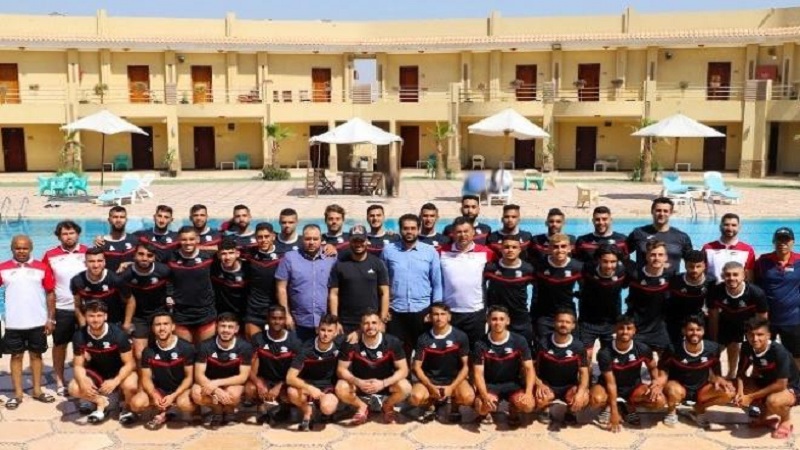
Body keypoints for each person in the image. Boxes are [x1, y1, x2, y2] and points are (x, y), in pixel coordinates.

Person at [0, 235, 56, 410]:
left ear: (31, 248)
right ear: (12, 248)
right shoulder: (2, 268)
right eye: (18, 248)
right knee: (16, 356)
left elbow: (50, 293)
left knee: (36, 355)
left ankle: (37, 390)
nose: (21, 251)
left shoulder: (42, 267)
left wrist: (50, 318)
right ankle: (17, 394)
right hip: (14, 323)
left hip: (37, 322)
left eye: (24, 248)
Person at [657, 315, 735, 429]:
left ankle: (699, 408)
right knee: (673, 389)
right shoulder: (673, 349)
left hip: (700, 390)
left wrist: (719, 379)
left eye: (698, 330)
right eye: (691, 330)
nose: (695, 333)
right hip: (680, 388)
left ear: (703, 331)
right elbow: (663, 369)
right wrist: (660, 382)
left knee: (729, 393)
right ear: (684, 331)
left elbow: (716, 372)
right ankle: (671, 412)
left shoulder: (713, 348)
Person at [382, 213, 443, 356]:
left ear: (418, 229)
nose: (409, 232)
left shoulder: (430, 252)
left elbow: (437, 283)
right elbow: (383, 283)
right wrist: (383, 309)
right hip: (396, 312)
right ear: (400, 230)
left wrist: (435, 310)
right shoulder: (388, 251)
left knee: (425, 354)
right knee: (398, 355)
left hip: (423, 311)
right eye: (405, 228)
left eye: (413, 228)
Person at [336, 310, 412, 425]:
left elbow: (404, 370)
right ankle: (362, 407)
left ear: (380, 325)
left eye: (374, 323)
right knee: (341, 387)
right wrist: (358, 382)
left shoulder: (392, 342)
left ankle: (387, 406)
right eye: (366, 323)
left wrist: (383, 383)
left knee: (405, 387)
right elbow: (341, 369)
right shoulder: (351, 343)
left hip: (385, 384)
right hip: (360, 384)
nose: (370, 326)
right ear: (361, 326)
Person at [68, 301, 138, 424]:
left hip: (119, 371)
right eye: (91, 316)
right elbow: (78, 365)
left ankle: (126, 407)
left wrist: (115, 381)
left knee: (131, 385)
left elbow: (130, 364)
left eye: (99, 315)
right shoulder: (79, 335)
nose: (95, 320)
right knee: (73, 388)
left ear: (105, 316)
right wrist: (82, 381)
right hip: (97, 371)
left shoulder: (118, 334)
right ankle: (101, 401)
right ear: (85, 317)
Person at [591, 315, 663, 432]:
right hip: (607, 386)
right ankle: (609, 406)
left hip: (632, 387)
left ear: (634, 331)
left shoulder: (643, 349)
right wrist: (614, 412)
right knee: (595, 400)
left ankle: (629, 405)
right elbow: (611, 383)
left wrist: (655, 381)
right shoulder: (604, 353)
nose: (625, 332)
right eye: (621, 328)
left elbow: (652, 367)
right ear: (615, 329)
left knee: (659, 401)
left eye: (629, 328)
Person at [735, 317, 800, 439]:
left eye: (760, 334)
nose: (755, 339)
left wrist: (750, 397)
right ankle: (764, 417)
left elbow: (781, 384)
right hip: (766, 382)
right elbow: (740, 373)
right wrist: (740, 392)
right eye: (751, 334)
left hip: (790, 387)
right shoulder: (746, 347)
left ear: (768, 335)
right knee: (731, 388)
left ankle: (785, 420)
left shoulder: (779, 351)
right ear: (746, 335)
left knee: (773, 401)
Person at [43, 220, 88, 396]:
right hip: (62, 309)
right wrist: (49, 316)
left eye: (71, 233)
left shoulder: (88, 252)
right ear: (59, 236)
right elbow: (46, 286)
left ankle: (84, 380)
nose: (68, 237)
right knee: (60, 345)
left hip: (85, 309)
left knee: (85, 346)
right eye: (64, 234)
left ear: (78, 234)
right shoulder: (50, 255)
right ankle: (60, 381)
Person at [129, 311, 196, 429]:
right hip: (161, 389)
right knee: (136, 404)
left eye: (166, 324)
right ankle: (166, 410)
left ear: (173, 327)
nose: (162, 328)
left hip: (181, 390)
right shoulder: (148, 351)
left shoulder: (186, 348)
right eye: (158, 324)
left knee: (185, 404)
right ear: (153, 328)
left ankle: (171, 410)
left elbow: (189, 378)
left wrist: (173, 396)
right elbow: (146, 378)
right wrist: (154, 394)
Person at [409, 303, 474, 423]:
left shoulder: (460, 336)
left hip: (453, 379)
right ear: (430, 317)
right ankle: (430, 404)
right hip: (431, 379)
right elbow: (416, 367)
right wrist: (430, 386)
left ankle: (455, 407)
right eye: (436, 314)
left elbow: (466, 366)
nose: (439, 318)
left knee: (468, 398)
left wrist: (451, 387)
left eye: (443, 314)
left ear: (449, 317)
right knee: (415, 398)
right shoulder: (423, 339)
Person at [472, 306, 536, 428]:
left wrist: (528, 393)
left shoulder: (519, 340)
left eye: (502, 319)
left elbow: (529, 369)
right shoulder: (480, 344)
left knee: (528, 406)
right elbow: (478, 374)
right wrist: (484, 396)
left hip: (513, 384)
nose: (498, 322)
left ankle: (513, 408)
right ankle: (488, 412)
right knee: (481, 407)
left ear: (508, 321)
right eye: (494, 319)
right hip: (491, 385)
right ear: (488, 321)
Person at [439, 217, 496, 345]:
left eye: (466, 231)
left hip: (476, 312)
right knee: (451, 350)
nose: (462, 235)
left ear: (473, 232)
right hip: (450, 312)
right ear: (453, 234)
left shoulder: (486, 253)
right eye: (459, 232)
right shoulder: (442, 252)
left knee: (476, 350)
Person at [191, 312, 254, 428]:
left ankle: (229, 411)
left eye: (230, 327)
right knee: (196, 394)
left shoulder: (245, 347)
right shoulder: (205, 346)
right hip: (209, 381)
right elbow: (198, 375)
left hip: (231, 383)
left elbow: (242, 377)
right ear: (216, 327)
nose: (226, 330)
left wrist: (216, 384)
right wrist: (215, 389)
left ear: (236, 329)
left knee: (233, 395)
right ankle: (217, 411)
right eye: (223, 326)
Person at [276, 224, 337, 341]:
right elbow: (281, 288)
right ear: (302, 239)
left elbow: (335, 290)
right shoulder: (290, 258)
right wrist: (286, 315)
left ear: (321, 240)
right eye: (308, 239)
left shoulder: (331, 258)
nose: (311, 242)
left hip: (324, 322)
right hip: (297, 321)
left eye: (315, 239)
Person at [708, 261, 769, 378]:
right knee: (715, 349)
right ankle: (718, 377)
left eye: (735, 274)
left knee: (752, 350)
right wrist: (713, 341)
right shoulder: (716, 291)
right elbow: (713, 317)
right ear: (722, 276)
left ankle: (736, 375)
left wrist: (758, 341)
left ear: (744, 275)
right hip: (726, 321)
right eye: (728, 275)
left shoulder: (756, 293)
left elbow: (762, 320)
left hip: (748, 322)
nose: (731, 278)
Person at [532, 308, 590, 428]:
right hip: (547, 385)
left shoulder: (578, 346)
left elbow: (584, 373)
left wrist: (580, 392)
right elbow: (529, 367)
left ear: (573, 326)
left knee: (583, 398)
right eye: (560, 321)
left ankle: (570, 412)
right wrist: (539, 383)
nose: (563, 324)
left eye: (567, 322)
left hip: (569, 386)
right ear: (554, 323)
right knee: (540, 399)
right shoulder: (542, 342)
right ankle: (545, 409)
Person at [246, 305, 303, 425]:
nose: (277, 322)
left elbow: (298, 371)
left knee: (290, 393)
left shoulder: (295, 341)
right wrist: (258, 383)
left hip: (284, 380)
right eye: (273, 318)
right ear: (268, 319)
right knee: (250, 389)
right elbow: (247, 366)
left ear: (285, 320)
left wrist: (280, 386)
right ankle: (262, 408)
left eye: (281, 318)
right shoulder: (258, 338)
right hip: (265, 379)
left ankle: (285, 408)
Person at [328, 225, 390, 334]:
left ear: (366, 241)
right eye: (355, 241)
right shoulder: (340, 265)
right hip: (346, 322)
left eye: (361, 240)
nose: (358, 244)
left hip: (370, 321)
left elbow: (384, 293)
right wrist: (335, 320)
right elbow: (334, 294)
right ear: (349, 242)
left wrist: (382, 319)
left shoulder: (377, 263)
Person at [286, 314, 342, 431]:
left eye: (330, 331)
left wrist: (357, 333)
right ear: (317, 330)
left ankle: (326, 410)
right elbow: (290, 378)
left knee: (328, 407)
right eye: (323, 330)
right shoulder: (305, 348)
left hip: (327, 387)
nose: (325, 334)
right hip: (307, 387)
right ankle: (308, 411)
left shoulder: (340, 346)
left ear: (336, 332)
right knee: (291, 392)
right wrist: (310, 388)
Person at [755, 227, 800, 367]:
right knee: (765, 353)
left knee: (796, 355)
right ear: (773, 242)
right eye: (779, 240)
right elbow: (755, 286)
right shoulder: (763, 261)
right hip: (767, 319)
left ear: (793, 242)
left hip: (793, 319)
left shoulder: (799, 261)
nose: (782, 243)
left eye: (786, 240)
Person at [119, 242, 172, 361]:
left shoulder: (164, 270)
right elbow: (124, 300)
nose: (145, 258)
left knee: (164, 351)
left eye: (149, 255)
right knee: (140, 355)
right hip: (139, 317)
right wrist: (127, 322)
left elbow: (173, 283)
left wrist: (169, 296)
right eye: (141, 254)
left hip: (160, 313)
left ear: (154, 257)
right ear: (134, 255)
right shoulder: (125, 276)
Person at [168, 226, 217, 344]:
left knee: (205, 350)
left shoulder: (208, 257)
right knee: (185, 351)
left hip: (205, 311)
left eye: (191, 239)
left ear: (197, 239)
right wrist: (168, 295)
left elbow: (228, 251)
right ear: (179, 240)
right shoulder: (171, 258)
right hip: (181, 312)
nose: (188, 242)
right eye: (184, 239)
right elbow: (165, 277)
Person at [530, 233, 583, 339]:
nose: (559, 250)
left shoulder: (578, 267)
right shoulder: (539, 266)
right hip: (544, 315)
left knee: (572, 344)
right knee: (542, 345)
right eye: (555, 247)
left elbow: (586, 289)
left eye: (563, 246)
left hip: (568, 312)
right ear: (549, 249)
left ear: (569, 248)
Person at [483, 235, 535, 342]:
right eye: (506, 247)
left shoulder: (528, 269)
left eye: (514, 247)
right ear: (501, 249)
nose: (510, 250)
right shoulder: (491, 268)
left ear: (520, 250)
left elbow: (537, 291)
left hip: (520, 318)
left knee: (524, 348)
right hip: (498, 318)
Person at [578, 245, 627, 355]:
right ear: (598, 260)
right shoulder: (587, 268)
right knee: (586, 357)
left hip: (611, 322)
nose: (609, 266)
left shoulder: (623, 271)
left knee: (609, 357)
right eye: (605, 261)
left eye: (613, 262)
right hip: (587, 322)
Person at [625, 240, 673, 353]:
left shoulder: (671, 277)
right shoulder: (634, 275)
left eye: (660, 255)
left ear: (666, 257)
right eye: (653, 255)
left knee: (664, 362)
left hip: (660, 330)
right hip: (638, 330)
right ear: (646, 256)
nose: (656, 258)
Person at [71, 248, 135, 331]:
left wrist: (127, 323)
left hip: (115, 322)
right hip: (92, 323)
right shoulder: (77, 281)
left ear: (104, 262)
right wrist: (83, 325)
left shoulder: (115, 280)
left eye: (99, 261)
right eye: (91, 261)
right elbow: (77, 306)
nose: (96, 265)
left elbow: (131, 301)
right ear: (85, 263)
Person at [626, 197, 693, 272]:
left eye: (665, 211)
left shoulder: (682, 237)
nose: (661, 214)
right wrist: (632, 272)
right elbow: (622, 255)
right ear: (652, 211)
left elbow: (692, 262)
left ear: (671, 213)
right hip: (643, 279)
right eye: (658, 210)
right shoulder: (638, 233)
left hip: (672, 279)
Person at [665, 250, 714, 345]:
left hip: (699, 323)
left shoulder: (711, 283)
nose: (695, 270)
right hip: (676, 323)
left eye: (698, 266)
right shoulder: (675, 281)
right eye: (691, 266)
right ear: (685, 265)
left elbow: (712, 311)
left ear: (704, 266)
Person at [242, 222, 282, 338]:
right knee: (254, 345)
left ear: (273, 236)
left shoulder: (284, 255)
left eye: (266, 236)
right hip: (254, 309)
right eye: (260, 237)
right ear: (255, 238)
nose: (263, 240)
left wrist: (327, 246)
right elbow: (226, 248)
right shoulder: (249, 253)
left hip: (276, 309)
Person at [701, 213, 756, 282]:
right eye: (726, 225)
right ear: (720, 226)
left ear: (739, 227)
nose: (730, 228)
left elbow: (749, 276)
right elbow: (701, 271)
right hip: (712, 288)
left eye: (734, 225)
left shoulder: (747, 249)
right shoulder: (707, 248)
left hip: (736, 288)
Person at [211, 239, 248, 321]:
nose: (227, 257)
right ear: (218, 255)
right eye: (223, 254)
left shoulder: (248, 268)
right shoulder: (213, 268)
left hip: (244, 313)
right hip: (222, 313)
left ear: (237, 254)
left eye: (231, 253)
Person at [98, 206, 139, 273]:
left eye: (122, 217)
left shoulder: (134, 239)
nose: (118, 220)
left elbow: (143, 261)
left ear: (126, 220)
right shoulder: (101, 243)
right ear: (109, 220)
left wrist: (130, 264)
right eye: (115, 217)